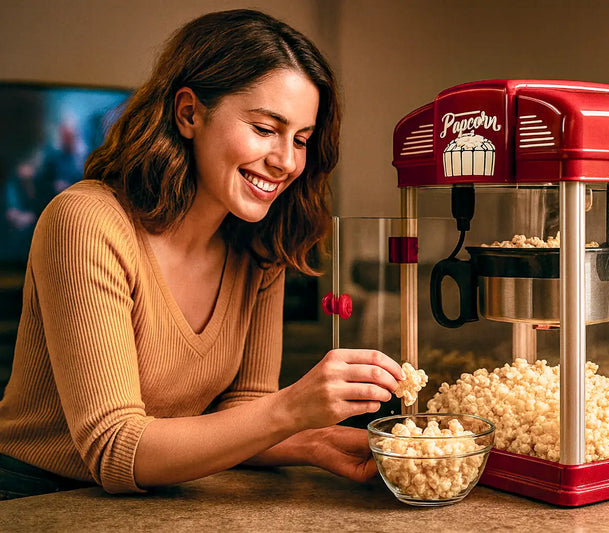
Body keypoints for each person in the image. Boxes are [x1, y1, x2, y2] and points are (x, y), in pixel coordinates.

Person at [0, 9, 404, 500]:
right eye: (263, 129)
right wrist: (295, 408)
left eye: (301, 139)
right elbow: (114, 449)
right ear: (189, 113)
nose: (286, 161)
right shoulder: (86, 222)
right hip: (36, 498)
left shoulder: (263, 244)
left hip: (167, 495)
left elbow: (242, 415)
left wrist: (315, 441)